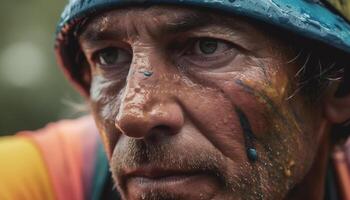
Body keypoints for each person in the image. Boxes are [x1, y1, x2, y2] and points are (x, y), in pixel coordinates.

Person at [1, 0, 350, 199]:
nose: (133, 114)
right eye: (109, 56)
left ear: (339, 87)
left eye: (207, 47)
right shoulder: (47, 182)